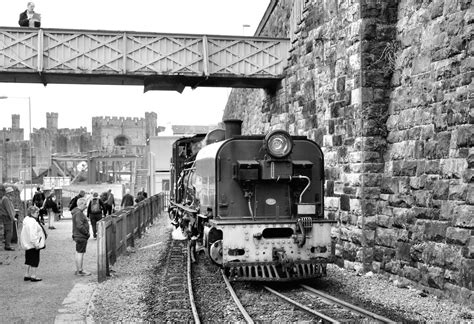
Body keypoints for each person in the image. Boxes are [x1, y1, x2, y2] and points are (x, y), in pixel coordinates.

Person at [20, 206, 47, 282]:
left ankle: (26, 274)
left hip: (27, 244)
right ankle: (34, 275)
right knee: (35, 260)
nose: (38, 214)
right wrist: (36, 244)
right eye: (37, 212)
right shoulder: (33, 223)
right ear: (32, 213)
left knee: (28, 260)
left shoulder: (27, 221)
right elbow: (33, 235)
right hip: (33, 244)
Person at [72, 197, 91, 276]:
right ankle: (80, 270)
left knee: (78, 252)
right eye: (85, 204)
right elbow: (80, 225)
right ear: (81, 204)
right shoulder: (79, 213)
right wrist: (86, 233)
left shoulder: (75, 212)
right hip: (81, 236)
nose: (86, 206)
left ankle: (78, 269)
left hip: (77, 235)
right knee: (80, 253)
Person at [0, 186, 16, 251]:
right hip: (7, 217)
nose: (12, 193)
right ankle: (7, 245)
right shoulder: (6, 199)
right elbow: (8, 209)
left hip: (6, 216)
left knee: (7, 231)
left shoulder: (6, 198)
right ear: (8, 192)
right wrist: (12, 217)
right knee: (9, 231)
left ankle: (7, 242)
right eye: (11, 192)